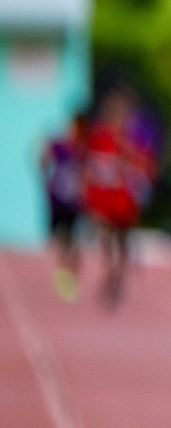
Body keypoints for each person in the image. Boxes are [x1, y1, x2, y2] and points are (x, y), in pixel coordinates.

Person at [82, 88, 157, 308]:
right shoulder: (98, 135)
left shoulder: (132, 137)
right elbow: (89, 161)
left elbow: (145, 164)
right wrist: (86, 181)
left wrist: (132, 162)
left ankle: (119, 273)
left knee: (122, 238)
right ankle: (111, 268)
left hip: (124, 196)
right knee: (104, 231)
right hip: (103, 196)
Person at [40, 112, 89, 302]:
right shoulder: (61, 145)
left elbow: (90, 170)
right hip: (58, 198)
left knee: (72, 238)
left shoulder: (84, 148)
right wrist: (46, 178)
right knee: (57, 238)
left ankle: (70, 274)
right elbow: (43, 158)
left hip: (74, 201)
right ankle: (65, 269)